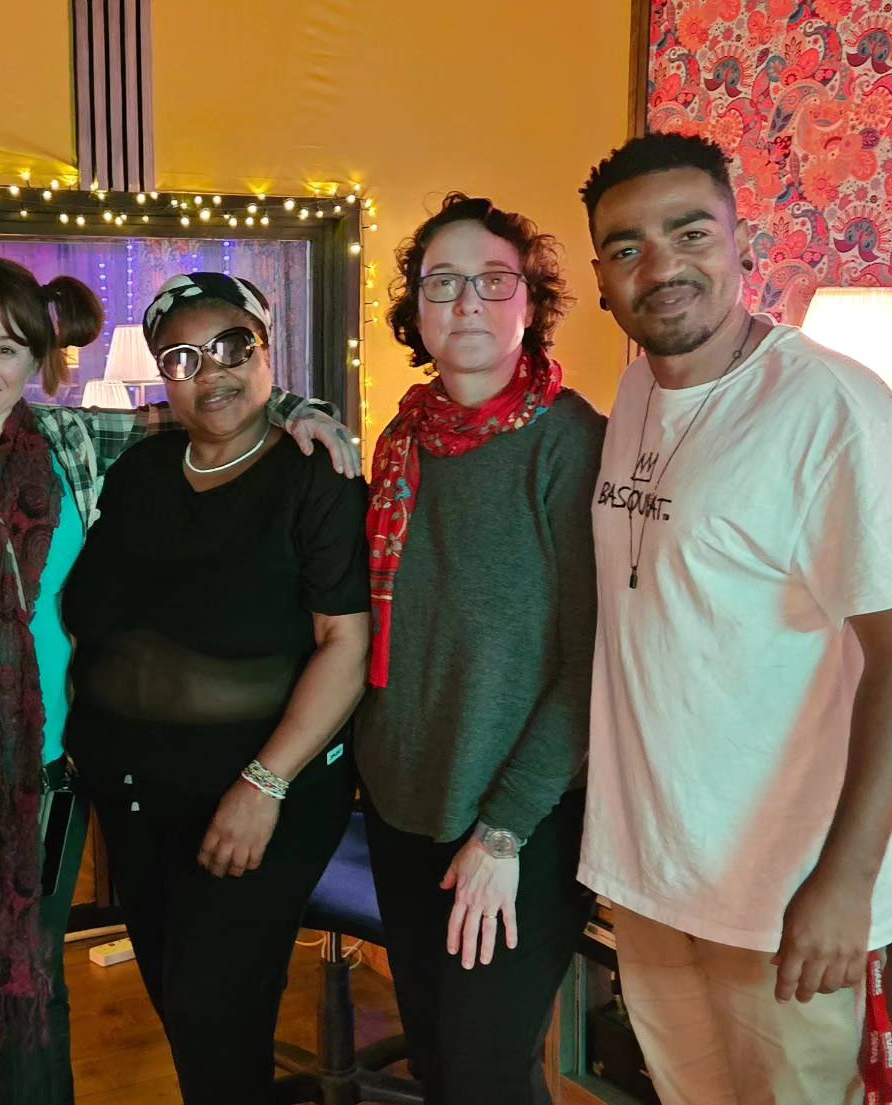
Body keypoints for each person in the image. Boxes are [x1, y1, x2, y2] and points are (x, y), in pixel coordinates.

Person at [0, 242, 358, 1105]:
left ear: (38, 359)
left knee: (40, 983)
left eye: (6, 346)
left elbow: (228, 406)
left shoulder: (73, 443)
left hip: (50, 771)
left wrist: (303, 406)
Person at [578, 132, 892, 1105]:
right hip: (656, 872)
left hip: (785, 892)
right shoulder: (637, 387)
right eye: (627, 247)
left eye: (690, 232)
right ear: (601, 279)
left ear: (740, 240)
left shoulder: (831, 409)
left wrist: (845, 882)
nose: (661, 267)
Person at [59, 272, 369, 1104]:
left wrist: (263, 784)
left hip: (259, 791)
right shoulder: (139, 469)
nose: (212, 372)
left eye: (233, 345)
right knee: (184, 1005)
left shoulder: (315, 473)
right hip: (135, 794)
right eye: (183, 358)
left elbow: (345, 644)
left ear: (268, 349)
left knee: (211, 1011)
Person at [355, 194, 603, 1104]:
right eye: (443, 282)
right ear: (415, 310)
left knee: (485, 1076)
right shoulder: (399, 442)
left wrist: (503, 829)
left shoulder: (569, 441)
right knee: (437, 1062)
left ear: (529, 304)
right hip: (402, 805)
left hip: (519, 820)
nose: (466, 301)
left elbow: (592, 662)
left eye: (494, 281)